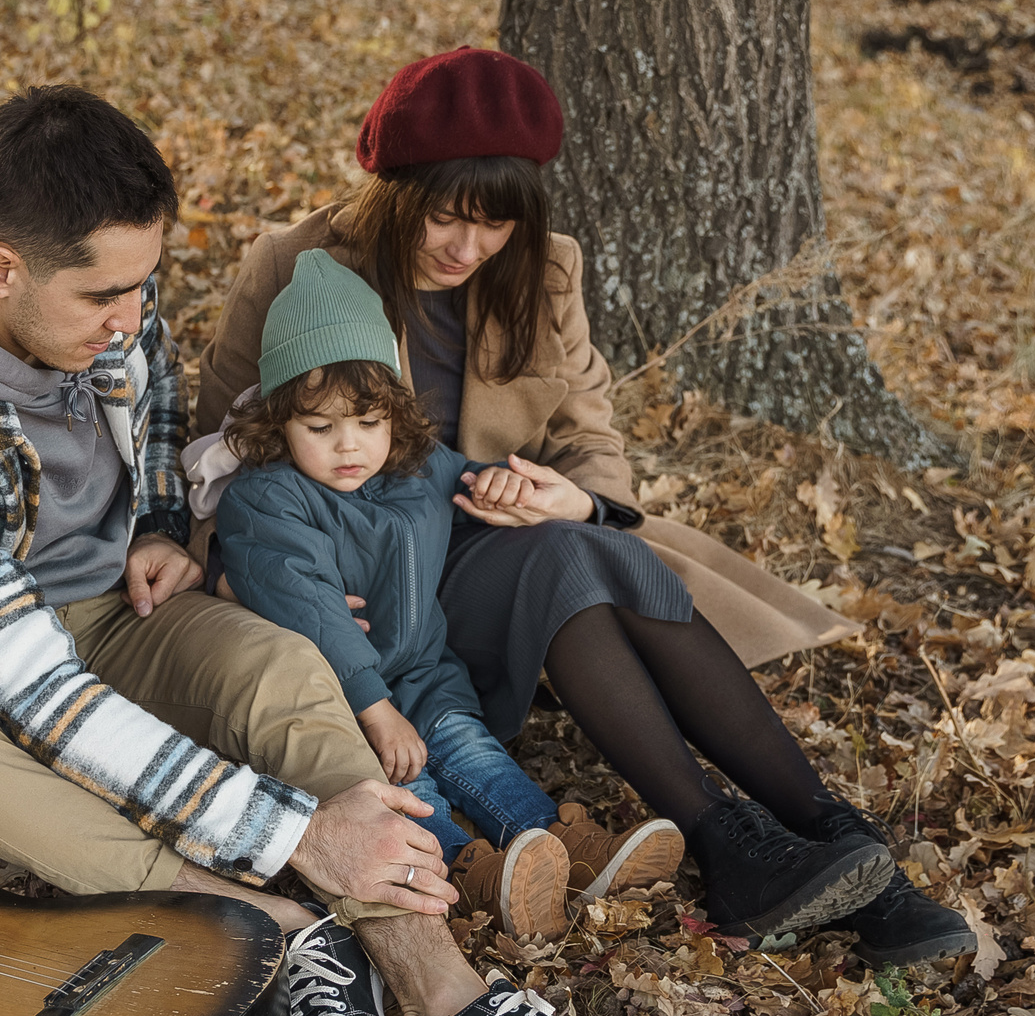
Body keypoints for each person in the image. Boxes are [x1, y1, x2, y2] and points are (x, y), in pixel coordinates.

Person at [0, 84, 687, 1016]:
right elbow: (36, 694)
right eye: (104, 299)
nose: (128, 320)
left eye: (139, 289)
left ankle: (446, 1007)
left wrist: (159, 522)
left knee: (283, 670)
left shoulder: (102, 285)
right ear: (0, 270)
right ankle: (267, 928)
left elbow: (155, 404)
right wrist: (286, 836)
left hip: (115, 601)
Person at [194, 48, 976, 968]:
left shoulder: (544, 270)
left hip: (500, 530)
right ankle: (736, 839)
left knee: (586, 545)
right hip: (370, 564)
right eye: (445, 214)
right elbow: (220, 442)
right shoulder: (300, 266)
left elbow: (589, 430)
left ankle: (830, 840)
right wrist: (231, 572)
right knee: (575, 560)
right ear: (396, 189)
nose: (465, 247)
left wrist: (577, 495)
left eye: (493, 225)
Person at [194, 250, 684, 939]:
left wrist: (504, 486)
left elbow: (471, 479)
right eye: (320, 427)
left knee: (471, 750)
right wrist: (376, 709)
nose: (348, 446)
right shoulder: (267, 498)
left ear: (394, 410)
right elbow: (307, 604)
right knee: (410, 793)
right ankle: (469, 869)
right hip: (340, 696)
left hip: (425, 672)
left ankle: (561, 846)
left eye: (367, 421)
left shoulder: (416, 467)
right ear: (280, 422)